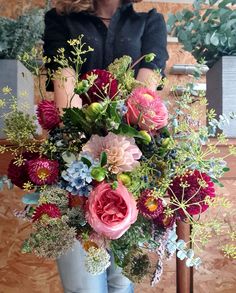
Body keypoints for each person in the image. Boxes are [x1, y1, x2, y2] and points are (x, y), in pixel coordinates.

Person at [43, 0, 169, 292]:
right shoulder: (61, 21)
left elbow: (143, 99)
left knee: (120, 284)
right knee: (84, 287)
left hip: (133, 164)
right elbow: (65, 91)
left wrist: (119, 153)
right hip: (75, 167)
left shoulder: (149, 22)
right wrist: (85, 151)